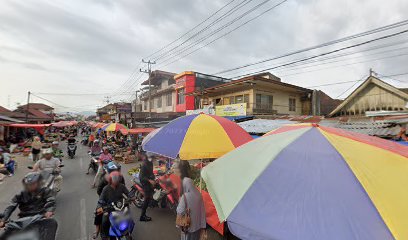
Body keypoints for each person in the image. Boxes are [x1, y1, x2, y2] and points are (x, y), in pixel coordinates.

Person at [0, 172, 57, 240]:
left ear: (38, 183)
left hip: (40, 216)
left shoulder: (45, 191)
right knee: (4, 233)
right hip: (23, 220)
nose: (30, 186)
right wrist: (3, 220)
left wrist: (49, 211)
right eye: (28, 184)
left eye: (33, 184)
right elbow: (11, 206)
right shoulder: (20, 194)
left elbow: (51, 200)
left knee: (52, 222)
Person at [93, 162, 124, 239]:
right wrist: (104, 198)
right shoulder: (103, 179)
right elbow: (99, 191)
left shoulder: (121, 178)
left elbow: (123, 188)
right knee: (99, 213)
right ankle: (98, 230)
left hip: (117, 200)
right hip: (106, 201)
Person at [96, 171, 130, 239]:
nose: (116, 183)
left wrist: (130, 198)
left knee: (129, 217)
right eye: (115, 182)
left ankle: (128, 231)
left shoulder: (121, 186)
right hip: (110, 208)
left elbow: (128, 193)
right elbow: (101, 200)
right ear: (110, 181)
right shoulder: (105, 189)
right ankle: (104, 235)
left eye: (117, 181)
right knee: (105, 220)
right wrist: (100, 207)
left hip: (120, 206)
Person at [138, 152, 155, 222]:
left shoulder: (150, 163)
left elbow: (151, 172)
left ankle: (152, 203)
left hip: (149, 180)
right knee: (147, 198)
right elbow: (141, 177)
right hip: (145, 182)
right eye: (152, 157)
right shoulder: (144, 164)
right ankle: (142, 216)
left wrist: (154, 178)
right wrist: (149, 180)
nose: (153, 159)